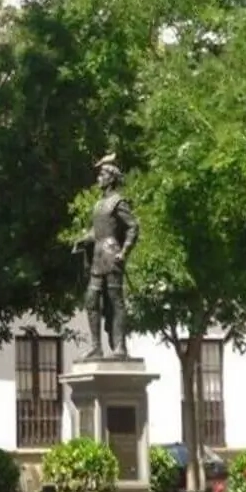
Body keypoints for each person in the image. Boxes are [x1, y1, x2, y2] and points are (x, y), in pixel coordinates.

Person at [72, 153, 140, 359]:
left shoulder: (118, 202)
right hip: (98, 257)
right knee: (91, 300)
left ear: (111, 177)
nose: (98, 178)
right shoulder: (99, 204)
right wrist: (85, 238)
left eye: (102, 174)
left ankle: (119, 346)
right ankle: (96, 346)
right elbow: (97, 230)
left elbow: (133, 226)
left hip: (111, 256)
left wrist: (124, 251)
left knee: (115, 301)